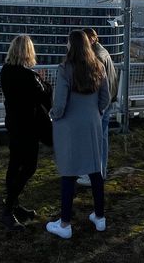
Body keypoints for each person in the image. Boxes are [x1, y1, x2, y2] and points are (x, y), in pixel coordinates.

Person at [47, 30, 110, 239]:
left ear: (71, 46)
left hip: (70, 126)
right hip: (92, 123)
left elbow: (60, 102)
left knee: (69, 171)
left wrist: (53, 115)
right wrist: (96, 113)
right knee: (95, 170)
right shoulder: (98, 66)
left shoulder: (65, 69)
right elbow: (105, 98)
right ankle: (100, 217)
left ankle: (65, 224)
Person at [0, 34, 50, 230]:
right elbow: (47, 99)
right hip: (29, 127)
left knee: (14, 165)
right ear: (28, 52)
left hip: (13, 124)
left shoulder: (5, 71)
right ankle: (9, 210)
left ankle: (13, 205)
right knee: (29, 167)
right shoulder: (30, 77)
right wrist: (43, 83)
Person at [76, 28, 118, 187]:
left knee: (94, 140)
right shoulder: (103, 52)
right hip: (108, 101)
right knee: (102, 139)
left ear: (92, 39)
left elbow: (96, 83)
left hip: (101, 103)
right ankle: (100, 172)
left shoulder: (97, 56)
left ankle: (93, 175)